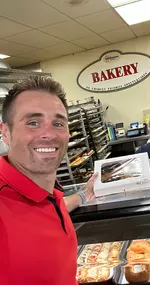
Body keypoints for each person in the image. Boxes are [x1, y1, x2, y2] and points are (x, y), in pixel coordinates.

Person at [0, 76, 96, 285]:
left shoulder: (49, 191)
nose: (49, 134)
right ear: (6, 132)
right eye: (33, 123)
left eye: (58, 123)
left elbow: (47, 208)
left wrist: (82, 195)